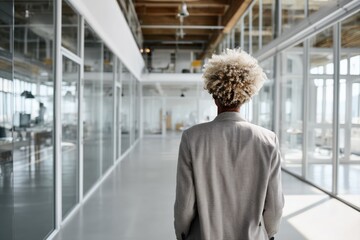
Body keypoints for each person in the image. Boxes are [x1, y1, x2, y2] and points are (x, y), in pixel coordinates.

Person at [174, 49, 284, 240]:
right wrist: (269, 233)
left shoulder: (192, 137)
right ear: (247, 96)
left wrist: (182, 234)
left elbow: (185, 203)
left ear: (214, 95)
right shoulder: (268, 139)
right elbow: (274, 204)